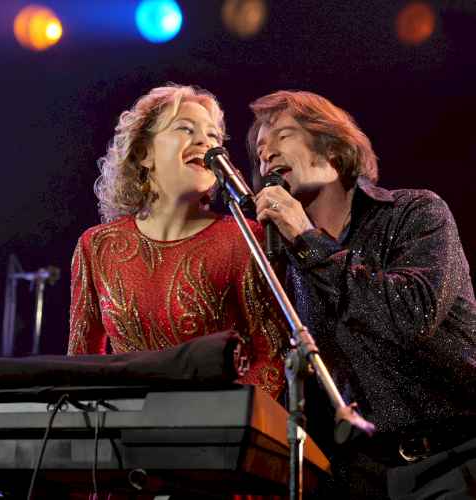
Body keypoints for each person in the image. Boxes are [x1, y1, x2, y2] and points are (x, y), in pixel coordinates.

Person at [248, 90, 476, 499]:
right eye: (260, 150)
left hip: (455, 458)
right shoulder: (290, 262)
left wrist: (308, 239)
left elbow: (411, 315)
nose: (266, 154)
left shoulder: (415, 212)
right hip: (363, 474)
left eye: (283, 135)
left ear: (333, 151)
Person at [67, 83, 288, 400]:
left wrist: (224, 419)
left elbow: (272, 357)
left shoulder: (244, 238)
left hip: (219, 424)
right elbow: (80, 363)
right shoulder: (97, 246)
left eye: (214, 136)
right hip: (125, 424)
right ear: (144, 153)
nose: (205, 142)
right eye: (185, 129)